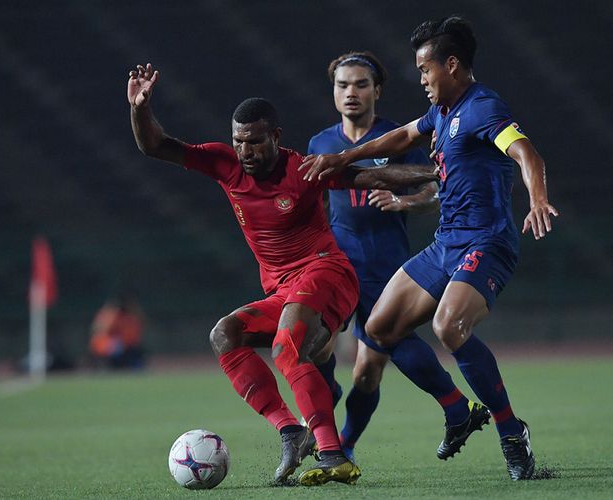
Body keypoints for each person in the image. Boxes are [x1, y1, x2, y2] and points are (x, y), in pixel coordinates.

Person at [127, 63, 439, 486]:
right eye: (239, 143)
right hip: (282, 290)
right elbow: (154, 146)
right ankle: (291, 432)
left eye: (255, 143)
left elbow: (374, 174)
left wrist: (440, 169)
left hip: (327, 273)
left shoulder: (302, 170)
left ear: (275, 137)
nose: (245, 152)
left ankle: (332, 454)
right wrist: (140, 108)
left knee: (288, 344)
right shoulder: (224, 164)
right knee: (224, 335)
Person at [300, 16, 559, 481]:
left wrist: (537, 198)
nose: (420, 79)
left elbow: (526, 152)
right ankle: (458, 412)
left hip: (487, 241)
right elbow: (401, 137)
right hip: (445, 244)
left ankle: (510, 433)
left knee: (449, 325)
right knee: (378, 328)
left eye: (425, 69)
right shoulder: (443, 110)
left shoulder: (481, 108)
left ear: (452, 65)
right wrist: (344, 157)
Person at [309, 51, 489, 463]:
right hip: (337, 262)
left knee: (368, 370)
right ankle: (450, 406)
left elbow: (436, 187)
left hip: (384, 263)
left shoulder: (398, 137)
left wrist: (405, 201)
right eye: (342, 85)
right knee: (316, 343)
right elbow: (315, 201)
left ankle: (346, 445)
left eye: (360, 84)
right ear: (333, 91)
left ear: (377, 90)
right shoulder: (321, 143)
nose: (350, 92)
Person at [89, 294, 145, 370]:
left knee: (133, 354)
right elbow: (100, 332)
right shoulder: (110, 316)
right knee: (117, 348)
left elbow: (134, 336)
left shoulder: (130, 317)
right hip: (109, 346)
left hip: (126, 347)